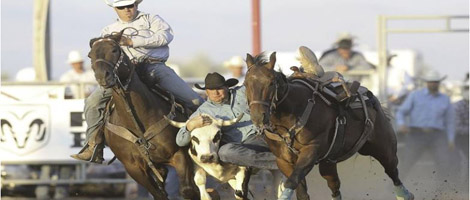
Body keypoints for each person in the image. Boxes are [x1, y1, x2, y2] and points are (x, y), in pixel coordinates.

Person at [71, 0, 204, 163]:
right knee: (92, 103)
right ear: (115, 9)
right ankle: (93, 145)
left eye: (130, 5)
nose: (127, 9)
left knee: (195, 99)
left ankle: (208, 140)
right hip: (123, 74)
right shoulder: (108, 30)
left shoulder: (151, 19)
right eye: (121, 7)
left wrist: (132, 41)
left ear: (136, 5)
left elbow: (165, 36)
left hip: (153, 67)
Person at [176, 72, 278, 170]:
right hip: (242, 146)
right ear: (206, 92)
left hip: (266, 134)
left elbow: (263, 85)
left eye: (219, 88)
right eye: (211, 90)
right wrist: (190, 126)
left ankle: (284, 160)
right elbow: (180, 141)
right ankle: (280, 162)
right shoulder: (203, 111)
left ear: (227, 87)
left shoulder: (243, 92)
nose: (216, 93)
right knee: (225, 153)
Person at [396, 69, 455, 180]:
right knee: (407, 162)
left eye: (436, 81)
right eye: (431, 81)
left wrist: (450, 139)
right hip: (416, 133)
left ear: (439, 83)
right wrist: (401, 124)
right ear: (427, 82)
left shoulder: (445, 99)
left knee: (444, 163)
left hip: (437, 135)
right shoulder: (415, 95)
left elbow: (450, 121)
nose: (433, 84)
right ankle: (395, 186)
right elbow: (401, 112)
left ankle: (442, 190)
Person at [453, 73, 469, 182]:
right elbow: (458, 127)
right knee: (463, 160)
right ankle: (462, 182)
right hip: (461, 138)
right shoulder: (458, 106)